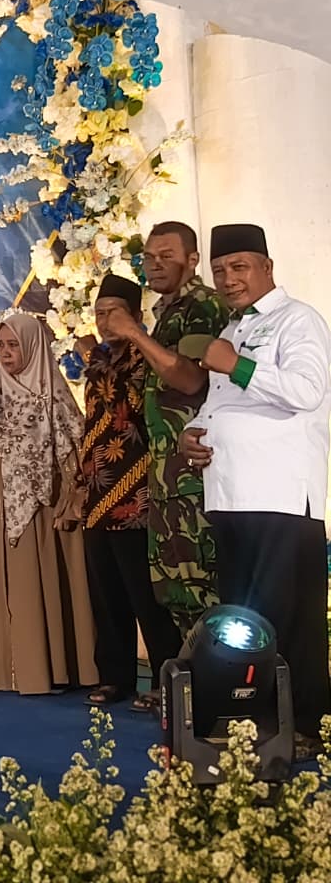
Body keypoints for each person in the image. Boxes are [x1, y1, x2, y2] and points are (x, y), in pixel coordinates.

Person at [180, 223, 331, 761]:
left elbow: (307, 391)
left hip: (281, 497)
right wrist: (193, 432)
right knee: (244, 622)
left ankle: (307, 724)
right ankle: (255, 723)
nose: (228, 279)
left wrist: (237, 364)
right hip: (231, 496)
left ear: (267, 266)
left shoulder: (298, 320)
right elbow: (219, 404)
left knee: (289, 618)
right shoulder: (233, 327)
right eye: (219, 270)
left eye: (239, 267)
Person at [102, 221, 230, 634]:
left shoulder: (203, 306)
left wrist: (134, 333)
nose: (155, 265)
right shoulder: (167, 312)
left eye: (167, 256)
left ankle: (220, 674)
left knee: (205, 590)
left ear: (192, 260)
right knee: (174, 592)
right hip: (166, 477)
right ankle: (188, 673)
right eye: (149, 257)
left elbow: (191, 381)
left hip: (197, 476)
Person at [0, 312, 98, 695]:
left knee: (45, 580)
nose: (6, 353)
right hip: (1, 503)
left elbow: (76, 450)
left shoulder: (53, 394)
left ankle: (54, 669)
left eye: (14, 345)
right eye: (0, 346)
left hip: (46, 507)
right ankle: (12, 672)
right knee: (10, 582)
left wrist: (71, 498)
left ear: (34, 346)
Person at [76, 276, 182, 713]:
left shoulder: (145, 358)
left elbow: (132, 408)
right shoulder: (99, 362)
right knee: (107, 596)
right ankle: (114, 678)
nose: (105, 322)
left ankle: (163, 679)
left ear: (136, 316)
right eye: (99, 314)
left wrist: (97, 357)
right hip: (97, 494)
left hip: (136, 495)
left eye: (114, 313)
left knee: (146, 596)